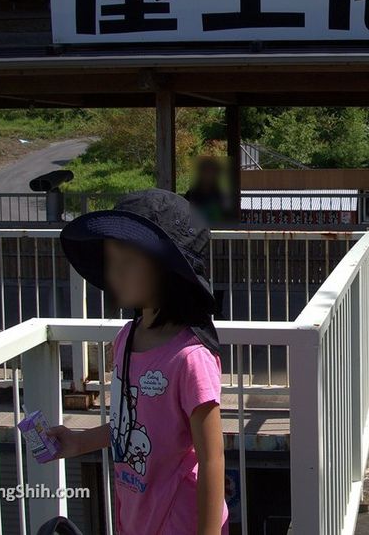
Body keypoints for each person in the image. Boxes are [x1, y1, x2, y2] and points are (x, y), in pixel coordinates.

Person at [48, 189, 228, 534]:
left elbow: (212, 459)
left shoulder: (191, 358)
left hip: (181, 520)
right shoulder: (126, 338)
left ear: (168, 271)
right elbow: (130, 426)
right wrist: (78, 441)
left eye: (128, 262)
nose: (114, 273)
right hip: (136, 512)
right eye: (111, 261)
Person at [184, 156, 234, 226]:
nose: (208, 175)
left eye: (211, 171)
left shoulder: (221, 197)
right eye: (205, 171)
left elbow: (228, 220)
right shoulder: (190, 195)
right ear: (200, 173)